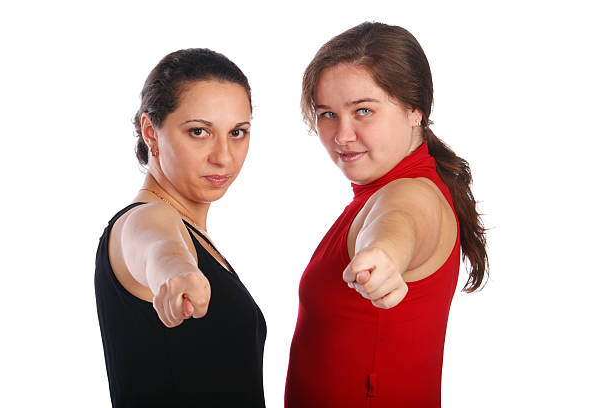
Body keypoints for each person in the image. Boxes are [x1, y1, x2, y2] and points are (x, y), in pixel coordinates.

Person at [285, 23, 488, 407]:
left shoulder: (411, 193)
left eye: (363, 111)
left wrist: (385, 255)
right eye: (328, 114)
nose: (342, 135)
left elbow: (399, 221)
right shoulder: (382, 191)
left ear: (415, 111)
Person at [94, 48, 266, 407]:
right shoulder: (144, 219)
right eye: (199, 132)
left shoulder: (198, 237)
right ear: (150, 132)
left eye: (238, 132)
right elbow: (158, 246)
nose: (224, 155)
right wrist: (177, 270)